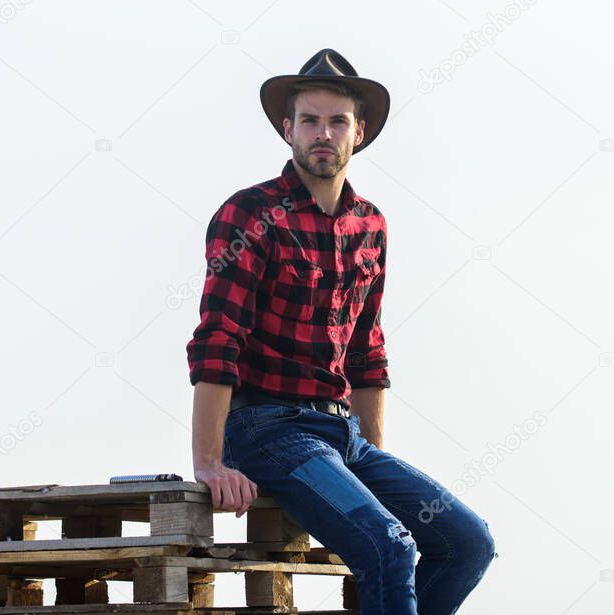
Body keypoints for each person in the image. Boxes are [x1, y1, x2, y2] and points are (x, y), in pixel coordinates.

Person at [185, 49, 497, 614]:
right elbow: (218, 338)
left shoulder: (370, 224)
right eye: (309, 120)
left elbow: (367, 352)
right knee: (388, 545)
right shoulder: (250, 214)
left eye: (336, 121)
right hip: (268, 430)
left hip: (344, 438)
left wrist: (372, 464)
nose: (321, 133)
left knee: (468, 543)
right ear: (288, 129)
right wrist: (210, 461)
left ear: (360, 131)